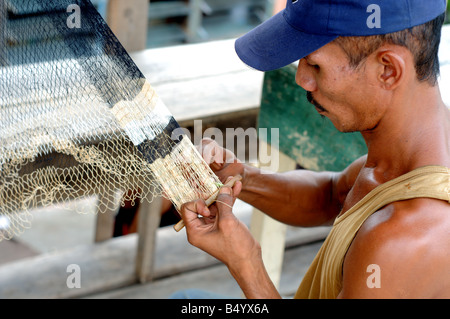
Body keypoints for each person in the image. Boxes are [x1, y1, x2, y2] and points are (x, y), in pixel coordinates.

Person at [177, 0, 450, 299]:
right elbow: (334, 194)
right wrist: (240, 177)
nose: (301, 79)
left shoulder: (398, 244)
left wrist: (246, 264)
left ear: (387, 70)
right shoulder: (412, 152)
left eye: (315, 65)